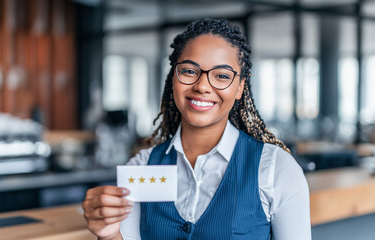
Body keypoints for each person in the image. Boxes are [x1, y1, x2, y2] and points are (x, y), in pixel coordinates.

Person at [82, 18, 311, 240]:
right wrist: (110, 235)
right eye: (190, 71)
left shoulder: (275, 169)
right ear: (174, 77)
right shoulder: (142, 167)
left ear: (240, 87)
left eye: (221, 76)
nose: (202, 86)